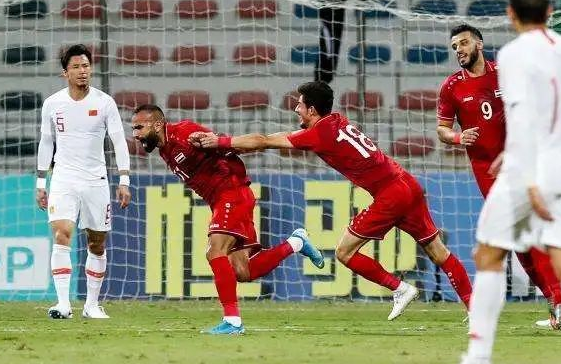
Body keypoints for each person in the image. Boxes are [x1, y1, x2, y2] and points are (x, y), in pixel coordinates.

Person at [189, 81, 474, 320]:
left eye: (300, 105)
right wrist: (234, 144)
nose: (296, 109)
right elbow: (274, 138)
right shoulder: (335, 121)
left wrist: (220, 142)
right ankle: (474, 309)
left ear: (312, 110)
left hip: (390, 194)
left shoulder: (320, 133)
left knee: (344, 252)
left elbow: (265, 141)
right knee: (438, 252)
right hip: (407, 184)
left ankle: (399, 288)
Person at [438, 0, 561, 364]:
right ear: (549, 12)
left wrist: (522, 170)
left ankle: (478, 361)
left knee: (488, 253)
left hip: (529, 164)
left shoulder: (512, 56)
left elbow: (524, 117)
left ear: (510, 15)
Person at [131, 104, 324, 335]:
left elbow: (226, 146)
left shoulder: (184, 133)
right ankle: (297, 243)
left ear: (157, 124)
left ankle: (232, 322)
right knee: (243, 271)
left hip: (231, 192)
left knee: (215, 251)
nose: (135, 134)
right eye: (133, 129)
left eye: (139, 127)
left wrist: (215, 142)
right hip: (223, 199)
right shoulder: (165, 148)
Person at [437, 23, 561, 329]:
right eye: (455, 47)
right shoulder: (451, 87)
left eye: (464, 43)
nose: (459, 50)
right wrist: (457, 137)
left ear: (479, 44)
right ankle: (556, 300)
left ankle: (560, 300)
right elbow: (442, 129)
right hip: (485, 171)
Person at [36, 44, 131, 320]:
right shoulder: (52, 104)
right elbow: (46, 142)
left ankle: (91, 304)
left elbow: (118, 141)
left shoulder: (104, 102)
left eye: (86, 66)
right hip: (63, 178)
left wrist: (124, 179)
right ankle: (63, 303)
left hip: (95, 180)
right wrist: (41, 183)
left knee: (96, 243)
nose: (82, 71)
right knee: (61, 234)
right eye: (76, 67)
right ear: (65, 73)